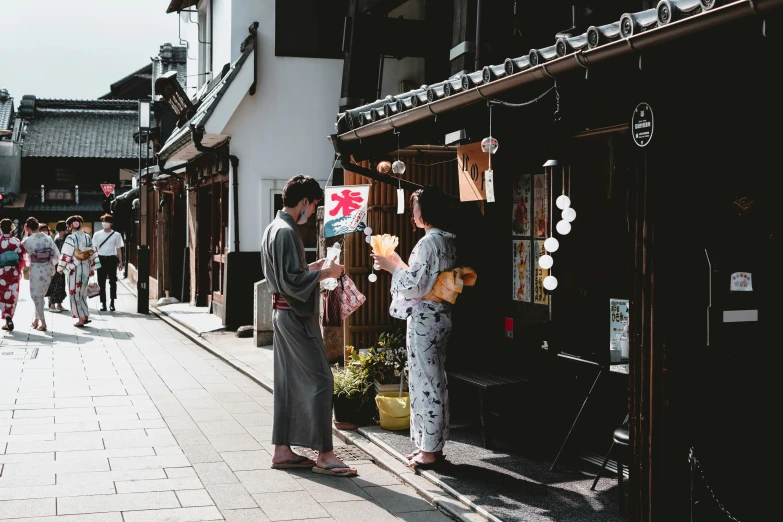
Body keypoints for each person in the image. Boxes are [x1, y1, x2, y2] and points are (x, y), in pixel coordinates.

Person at [260, 174, 356, 477]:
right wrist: (326, 272)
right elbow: (292, 282)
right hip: (296, 316)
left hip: (283, 314)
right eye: (313, 206)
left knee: (288, 383)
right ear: (304, 202)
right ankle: (325, 455)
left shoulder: (273, 228)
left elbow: (289, 276)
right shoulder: (287, 232)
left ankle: (283, 449)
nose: (313, 212)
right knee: (321, 381)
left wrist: (314, 268)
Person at [372, 186, 457, 469]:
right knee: (435, 381)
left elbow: (415, 286)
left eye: (416, 206)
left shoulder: (427, 243)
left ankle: (429, 452)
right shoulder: (445, 240)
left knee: (425, 383)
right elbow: (424, 280)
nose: (413, 212)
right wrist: (396, 262)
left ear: (427, 210)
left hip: (425, 321)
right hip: (439, 316)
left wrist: (390, 268)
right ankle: (430, 446)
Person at [56, 215, 100, 327]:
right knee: (82, 293)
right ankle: (85, 315)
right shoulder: (87, 237)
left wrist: (60, 267)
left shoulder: (71, 238)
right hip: (85, 266)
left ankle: (80, 319)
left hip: (74, 268)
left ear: (71, 225)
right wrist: (92, 268)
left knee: (74, 293)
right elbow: (92, 252)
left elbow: (66, 254)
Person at [21, 217, 59, 332]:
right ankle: (36, 321)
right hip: (47, 268)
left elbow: (23, 254)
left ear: (27, 227)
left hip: (36, 269)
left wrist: (26, 233)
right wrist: (51, 264)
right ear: (38, 226)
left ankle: (43, 323)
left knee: (36, 296)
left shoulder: (27, 240)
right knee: (40, 296)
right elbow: (56, 255)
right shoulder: (48, 238)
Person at [92, 214, 124, 312]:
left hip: (112, 259)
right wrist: (94, 261)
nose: (104, 223)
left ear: (111, 223)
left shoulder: (116, 235)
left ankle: (112, 303)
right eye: (103, 221)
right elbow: (94, 249)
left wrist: (120, 262)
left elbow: (118, 249)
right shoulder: (97, 234)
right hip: (100, 258)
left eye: (106, 221)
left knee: (113, 282)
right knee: (101, 282)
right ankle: (103, 303)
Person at [0, 218, 26, 331]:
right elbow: (22, 258)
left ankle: (5, 316)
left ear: (1, 229)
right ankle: (10, 316)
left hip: (1, 272)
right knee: (12, 294)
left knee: (2, 294)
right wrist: (19, 267)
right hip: (14, 272)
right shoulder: (16, 241)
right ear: (11, 229)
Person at [46, 221, 68, 312]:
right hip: (57, 264)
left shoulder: (58, 237)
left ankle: (59, 304)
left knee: (61, 284)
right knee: (56, 285)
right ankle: (52, 306)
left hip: (59, 264)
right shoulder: (59, 239)